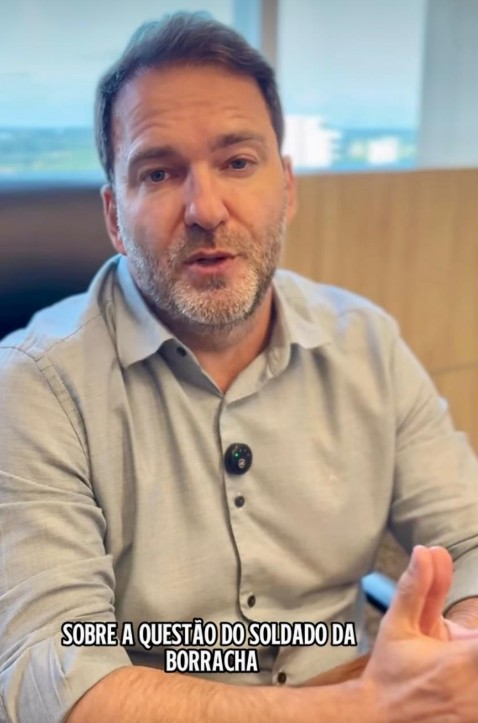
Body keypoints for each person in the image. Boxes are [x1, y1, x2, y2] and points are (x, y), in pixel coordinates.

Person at [0, 12, 478, 723]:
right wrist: (361, 707)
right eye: (159, 172)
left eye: (238, 162)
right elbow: (51, 675)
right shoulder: (35, 384)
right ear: (114, 215)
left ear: (287, 186)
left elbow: (469, 540)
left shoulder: (366, 343)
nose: (205, 208)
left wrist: (458, 655)